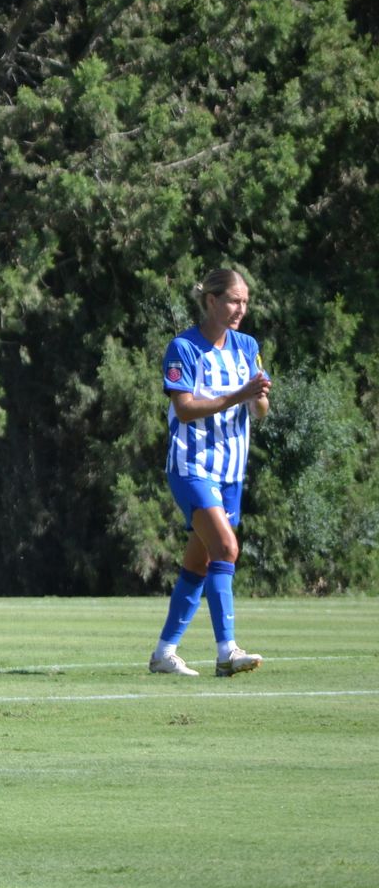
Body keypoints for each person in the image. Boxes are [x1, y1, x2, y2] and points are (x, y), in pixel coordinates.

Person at [148, 269, 271, 678]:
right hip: (192, 466)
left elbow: (259, 409)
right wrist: (237, 395)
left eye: (245, 302)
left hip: (231, 470)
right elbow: (183, 408)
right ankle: (226, 651)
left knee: (199, 564)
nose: (241, 309)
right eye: (234, 300)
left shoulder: (248, 346)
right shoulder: (183, 348)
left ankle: (165, 653)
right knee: (226, 549)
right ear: (212, 301)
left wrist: (258, 400)